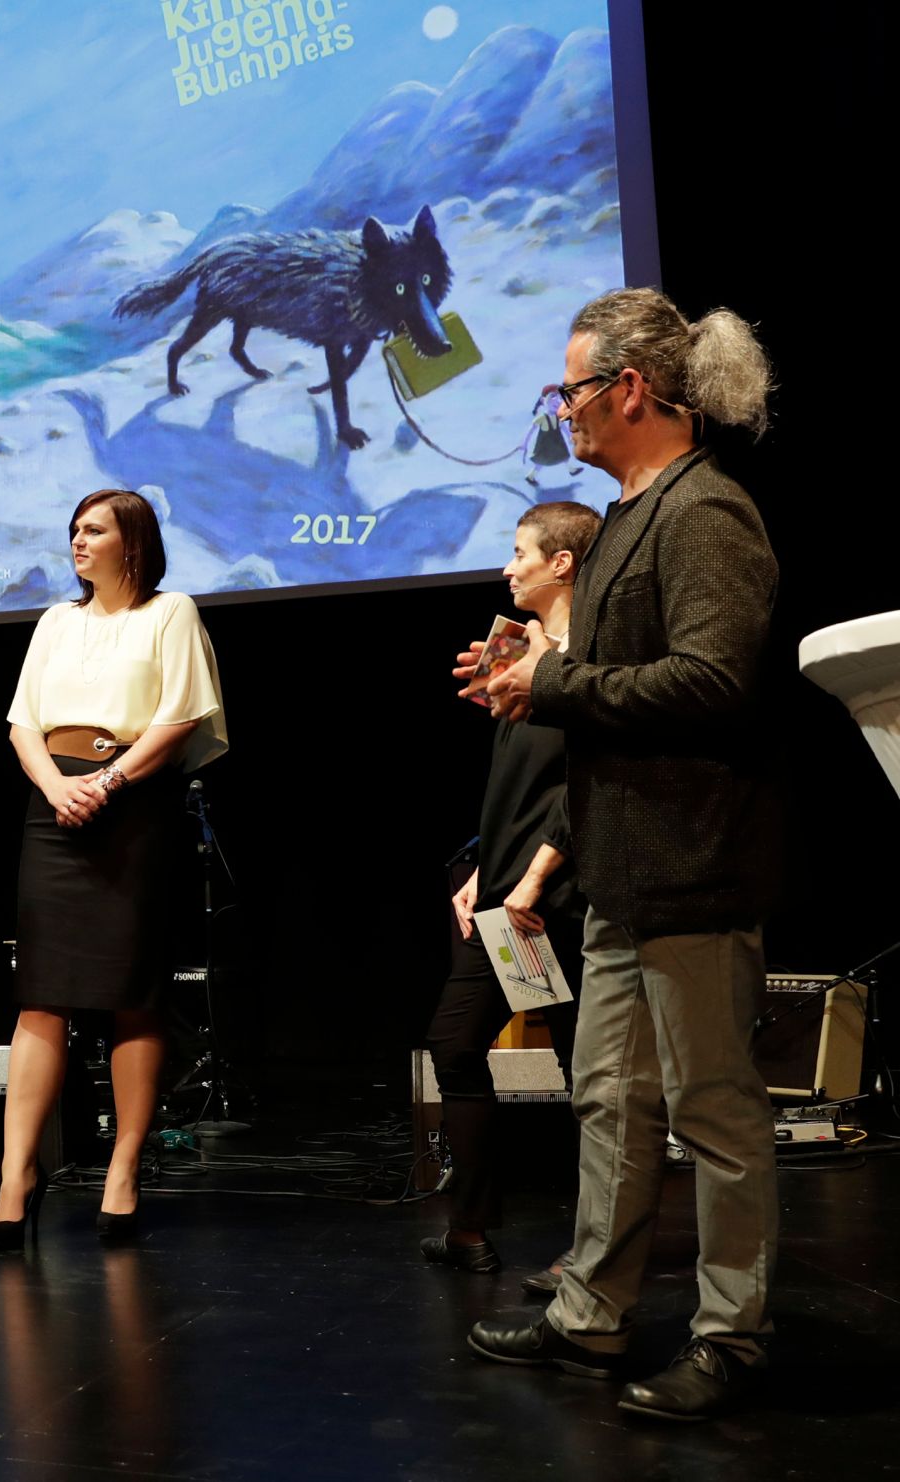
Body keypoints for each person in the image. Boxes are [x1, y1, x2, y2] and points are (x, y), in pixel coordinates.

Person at [462, 288, 780, 1420]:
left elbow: (713, 682)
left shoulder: (704, 514)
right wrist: (527, 673)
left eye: (569, 389)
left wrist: (551, 681)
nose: (560, 410)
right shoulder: (617, 526)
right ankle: (590, 1313)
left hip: (690, 863)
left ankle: (731, 1336)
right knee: (605, 1097)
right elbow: (604, 693)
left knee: (712, 1112)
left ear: (629, 390)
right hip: (618, 866)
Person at [0, 489, 226, 1249]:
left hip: (132, 813)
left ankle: (124, 1168)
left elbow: (181, 717)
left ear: (133, 544)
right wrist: (58, 786)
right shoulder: (56, 621)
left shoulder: (171, 613)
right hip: (52, 812)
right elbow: (23, 722)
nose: (78, 541)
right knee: (41, 999)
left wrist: (109, 780)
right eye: (73, 531)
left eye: (93, 530)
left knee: (132, 997)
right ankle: (15, 1175)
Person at [422, 500, 600, 1282]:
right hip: (504, 898)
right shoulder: (516, 649)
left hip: (559, 896)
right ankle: (470, 1229)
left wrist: (530, 879)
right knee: (456, 1044)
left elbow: (587, 786)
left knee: (585, 1075)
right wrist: (478, 874)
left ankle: (596, 1253)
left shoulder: (595, 653)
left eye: (520, 550)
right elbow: (514, 785)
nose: (506, 564)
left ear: (562, 562)